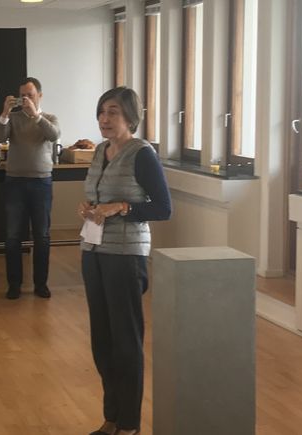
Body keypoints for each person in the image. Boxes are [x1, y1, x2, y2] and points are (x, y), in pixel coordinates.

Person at [78, 87, 172, 435]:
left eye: (113, 112)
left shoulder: (142, 154)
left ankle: (129, 425)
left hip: (126, 255)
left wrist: (120, 207)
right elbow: (97, 196)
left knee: (126, 342)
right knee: (102, 342)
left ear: (131, 117)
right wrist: (90, 208)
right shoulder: (99, 150)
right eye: (101, 111)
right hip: (93, 250)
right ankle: (112, 419)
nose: (104, 118)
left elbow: (162, 208)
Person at [0, 77, 61, 300]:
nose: (25, 99)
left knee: (42, 235)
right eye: (22, 95)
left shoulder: (49, 118)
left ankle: (41, 284)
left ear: (39, 96)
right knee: (13, 236)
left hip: (41, 182)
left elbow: (54, 135)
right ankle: (14, 284)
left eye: (30, 95)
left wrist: (35, 116)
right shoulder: (13, 118)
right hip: (15, 182)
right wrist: (4, 113)